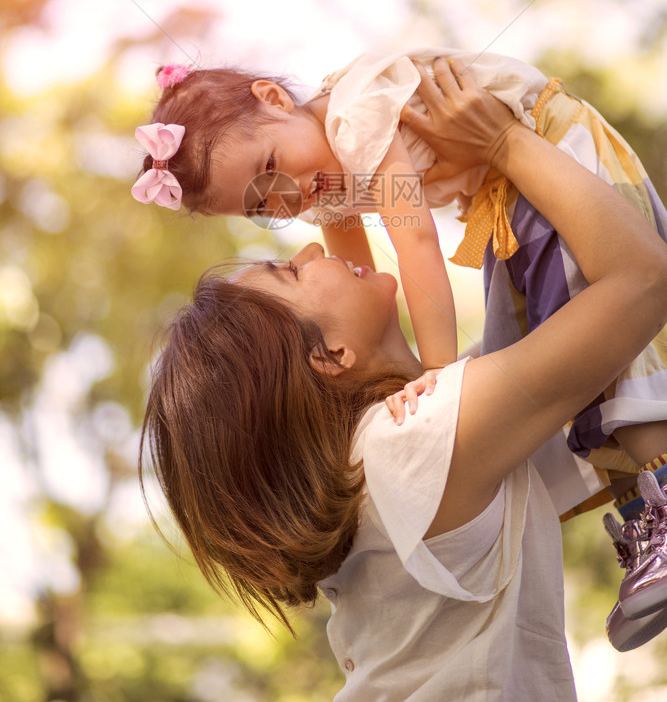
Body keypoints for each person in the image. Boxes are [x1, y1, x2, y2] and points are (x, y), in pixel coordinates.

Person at [139, 60, 667, 699]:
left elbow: (587, 359)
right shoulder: (413, 441)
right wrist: (503, 143)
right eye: (293, 273)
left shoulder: (384, 458)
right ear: (332, 355)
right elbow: (641, 280)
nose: (311, 248)